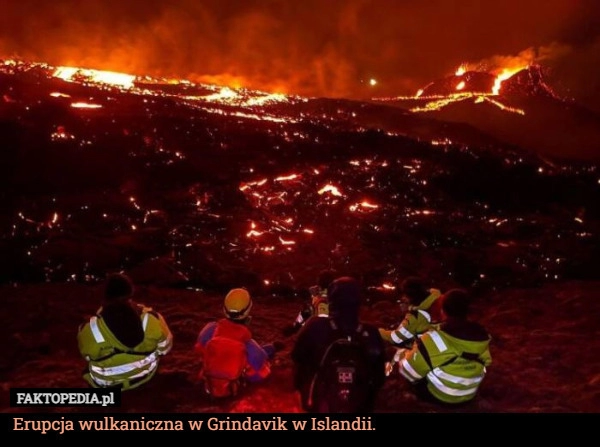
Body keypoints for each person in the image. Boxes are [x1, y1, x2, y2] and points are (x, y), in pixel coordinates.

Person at [291, 276, 387, 412]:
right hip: (360, 407)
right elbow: (379, 378)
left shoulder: (315, 326)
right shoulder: (371, 333)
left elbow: (297, 358)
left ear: (332, 300)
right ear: (358, 302)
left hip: (318, 403)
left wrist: (299, 390)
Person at [77, 272, 173, 390]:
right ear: (131, 293)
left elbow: (87, 356)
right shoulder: (151, 318)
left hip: (106, 384)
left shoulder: (90, 328)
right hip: (144, 376)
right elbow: (165, 348)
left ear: (105, 296)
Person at [397, 288, 492, 405]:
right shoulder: (481, 336)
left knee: (406, 361)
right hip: (469, 394)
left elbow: (409, 372)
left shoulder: (433, 339)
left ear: (443, 311)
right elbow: (486, 362)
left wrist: (405, 354)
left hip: (440, 396)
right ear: (467, 311)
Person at [194, 288, 280, 398]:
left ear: (224, 309)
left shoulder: (208, 330)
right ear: (248, 314)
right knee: (267, 352)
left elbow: (199, 350)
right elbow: (261, 375)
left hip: (208, 387)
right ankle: (273, 347)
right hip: (232, 393)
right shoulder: (251, 348)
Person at [379, 276, 442, 348]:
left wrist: (378, 332)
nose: (403, 298)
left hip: (429, 351)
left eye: (405, 295)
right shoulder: (441, 299)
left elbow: (396, 338)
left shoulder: (416, 315)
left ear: (411, 296)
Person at [282, 269, 337, 337]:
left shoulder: (324, 297)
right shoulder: (325, 294)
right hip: (323, 325)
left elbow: (323, 319)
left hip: (323, 328)